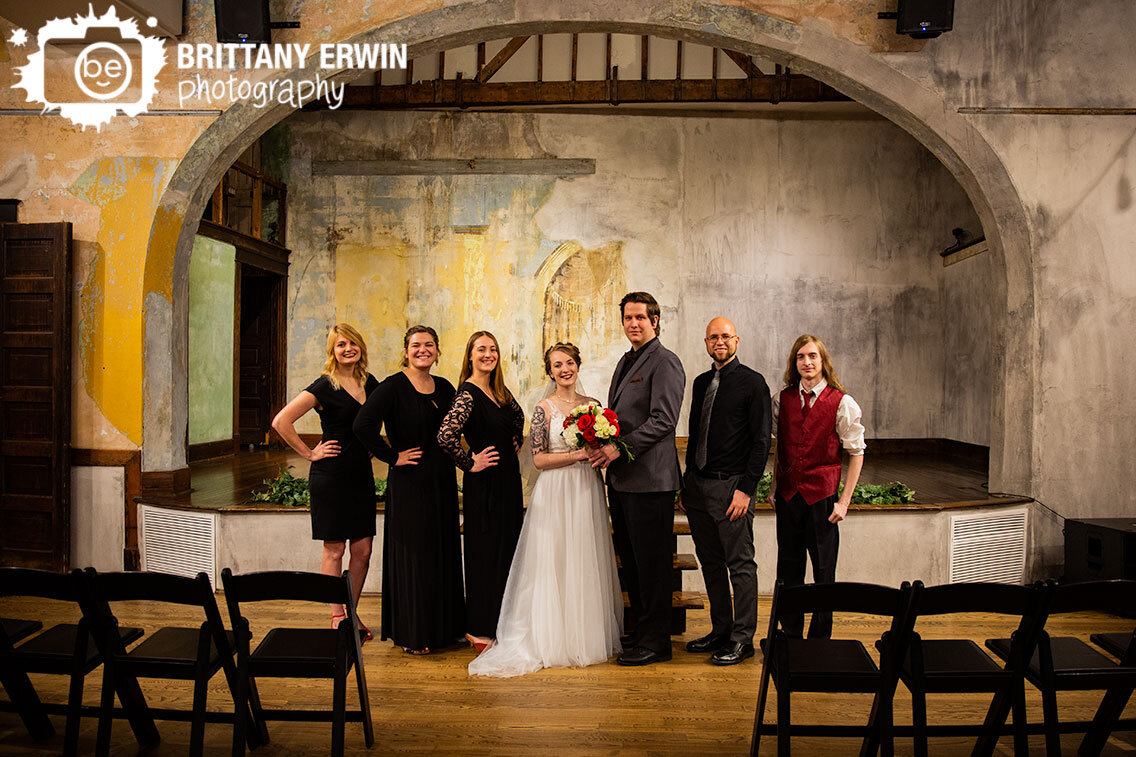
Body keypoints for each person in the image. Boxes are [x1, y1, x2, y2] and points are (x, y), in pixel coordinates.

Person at [468, 343, 623, 677]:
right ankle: (549, 637)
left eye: (569, 363)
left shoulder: (594, 408)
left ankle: (582, 635)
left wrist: (598, 452)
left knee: (583, 558)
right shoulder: (543, 409)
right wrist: (578, 456)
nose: (564, 369)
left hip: (586, 492)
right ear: (549, 371)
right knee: (552, 560)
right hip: (555, 491)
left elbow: (601, 451)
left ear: (578, 366)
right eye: (557, 365)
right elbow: (538, 459)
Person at [353, 325, 464, 655]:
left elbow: (462, 424)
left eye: (429, 345)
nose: (422, 350)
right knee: (416, 556)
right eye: (416, 345)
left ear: (437, 350)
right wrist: (391, 456)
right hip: (410, 480)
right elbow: (362, 425)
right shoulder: (391, 387)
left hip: (441, 479)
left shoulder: (444, 387)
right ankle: (416, 634)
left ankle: (445, 629)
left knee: (441, 550)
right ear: (405, 351)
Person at [589, 292, 685, 666]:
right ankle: (643, 631)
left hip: (651, 482)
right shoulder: (627, 360)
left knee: (653, 565)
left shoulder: (665, 362)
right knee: (632, 563)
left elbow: (663, 421)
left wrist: (618, 448)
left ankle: (657, 642)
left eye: (640, 318)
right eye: (628, 317)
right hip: (625, 481)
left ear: (655, 320)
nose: (633, 323)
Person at [271, 323, 379, 638]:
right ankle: (336, 616)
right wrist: (308, 453)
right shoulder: (323, 386)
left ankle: (352, 613)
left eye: (352, 343)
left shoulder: (370, 383)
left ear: (360, 347)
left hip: (360, 474)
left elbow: (378, 417)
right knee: (334, 549)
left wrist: (372, 446)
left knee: (363, 550)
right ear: (332, 351)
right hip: (331, 476)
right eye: (340, 344)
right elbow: (281, 421)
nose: (348, 349)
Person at [682, 317, 771, 665]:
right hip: (700, 486)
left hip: (732, 487)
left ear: (737, 340)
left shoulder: (753, 383)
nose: (719, 341)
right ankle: (721, 630)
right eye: (713, 337)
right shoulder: (702, 383)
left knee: (740, 564)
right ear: (706, 342)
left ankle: (742, 638)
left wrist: (746, 490)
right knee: (711, 562)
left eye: (725, 336)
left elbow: (762, 441)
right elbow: (694, 432)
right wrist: (688, 483)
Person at [768, 334, 866, 639]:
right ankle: (791, 636)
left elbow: (856, 453)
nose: (806, 362)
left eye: (812, 356)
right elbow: (780, 448)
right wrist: (774, 486)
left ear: (823, 361)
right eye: (800, 357)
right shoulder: (781, 400)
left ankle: (820, 639)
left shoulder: (842, 402)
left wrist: (844, 502)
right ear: (794, 362)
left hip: (822, 499)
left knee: (824, 572)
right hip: (788, 497)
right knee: (788, 569)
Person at [438, 331, 525, 653]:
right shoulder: (468, 393)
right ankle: (479, 628)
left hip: (508, 483)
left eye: (492, 349)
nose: (488, 354)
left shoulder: (499, 391)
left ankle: (501, 622)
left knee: (506, 553)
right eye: (481, 350)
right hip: (484, 485)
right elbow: (445, 436)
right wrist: (468, 462)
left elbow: (519, 417)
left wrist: (514, 439)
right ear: (470, 356)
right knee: (484, 556)